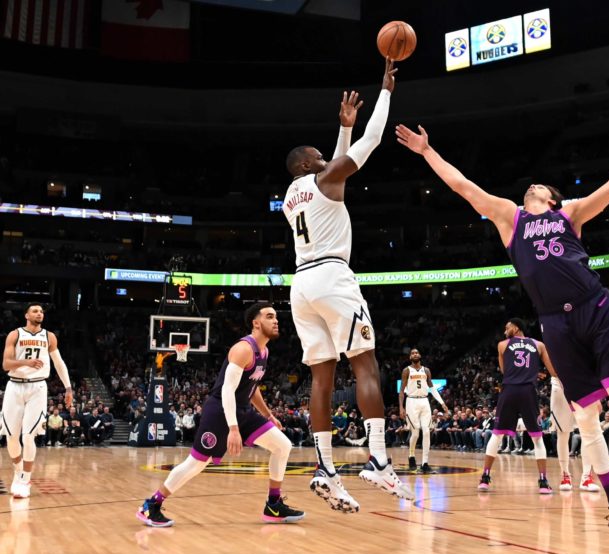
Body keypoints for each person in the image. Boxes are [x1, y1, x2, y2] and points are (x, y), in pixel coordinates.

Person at [396, 100, 609, 546]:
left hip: (596, 310)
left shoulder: (570, 213)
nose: (532, 186)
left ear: (552, 199)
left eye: (540, 186)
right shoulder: (510, 217)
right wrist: (428, 152)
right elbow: (464, 186)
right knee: (587, 420)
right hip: (554, 326)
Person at [283, 58, 413, 511]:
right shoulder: (322, 178)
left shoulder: (291, 197)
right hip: (334, 278)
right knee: (366, 366)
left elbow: (331, 167)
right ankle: (377, 458)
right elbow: (371, 142)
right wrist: (387, 91)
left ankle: (325, 468)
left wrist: (342, 130)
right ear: (306, 163)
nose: (326, 156)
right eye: (318, 154)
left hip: (301, 286)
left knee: (321, 377)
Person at [136, 304, 304, 527]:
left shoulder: (264, 351)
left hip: (242, 410)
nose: (276, 321)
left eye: (276, 317)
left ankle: (273, 505)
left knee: (283, 446)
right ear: (256, 323)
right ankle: (151, 505)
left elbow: (251, 388)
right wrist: (233, 429)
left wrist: (268, 415)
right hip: (220, 411)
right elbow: (227, 389)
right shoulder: (243, 349)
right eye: (269, 316)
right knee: (196, 464)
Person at [1, 303, 73, 498]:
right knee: (11, 436)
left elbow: (59, 363)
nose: (39, 313)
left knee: (29, 435)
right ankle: (18, 471)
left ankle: (25, 479)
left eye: (41, 311)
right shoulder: (15, 335)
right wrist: (26, 362)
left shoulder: (49, 337)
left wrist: (68, 388)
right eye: (35, 311)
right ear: (26, 315)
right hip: (14, 385)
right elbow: (6, 364)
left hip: (38, 387)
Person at [478, 319, 557, 494]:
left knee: (497, 435)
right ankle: (543, 481)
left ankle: (485, 478)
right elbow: (553, 371)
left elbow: (505, 370)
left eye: (507, 327)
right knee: (537, 438)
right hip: (528, 391)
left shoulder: (502, 345)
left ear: (516, 327)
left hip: (509, 391)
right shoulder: (539, 345)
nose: (505, 331)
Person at [399, 348, 449, 473]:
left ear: (420, 355)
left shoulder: (426, 370)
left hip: (424, 401)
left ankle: (425, 463)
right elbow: (401, 391)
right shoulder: (406, 371)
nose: (415, 354)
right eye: (412, 353)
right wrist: (401, 407)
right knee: (415, 433)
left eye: (417, 352)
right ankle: (411, 456)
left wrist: (442, 403)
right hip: (411, 401)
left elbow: (432, 389)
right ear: (410, 357)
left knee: (427, 432)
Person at [549, 376, 600, 492]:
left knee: (588, 431)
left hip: (584, 382)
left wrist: (596, 393)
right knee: (563, 433)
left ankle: (586, 477)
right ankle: (565, 475)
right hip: (561, 383)